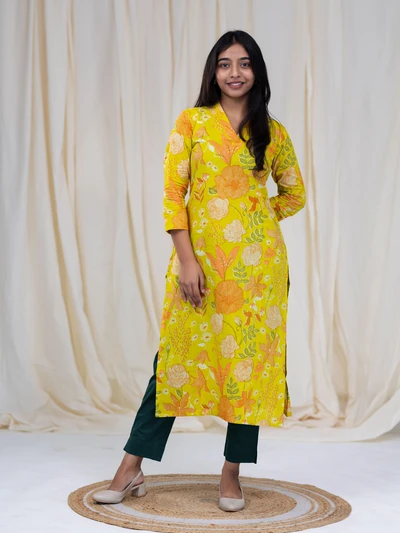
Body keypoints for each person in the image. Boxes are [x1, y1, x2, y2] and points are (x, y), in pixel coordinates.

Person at [93, 29, 306, 512]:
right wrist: (187, 260)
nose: (235, 72)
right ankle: (130, 467)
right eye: (225, 64)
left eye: (244, 63)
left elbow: (294, 194)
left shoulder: (272, 132)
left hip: (258, 272)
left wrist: (254, 218)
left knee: (246, 371)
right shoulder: (191, 123)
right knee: (173, 361)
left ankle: (231, 473)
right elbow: (173, 194)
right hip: (199, 265)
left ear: (257, 72)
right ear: (213, 72)